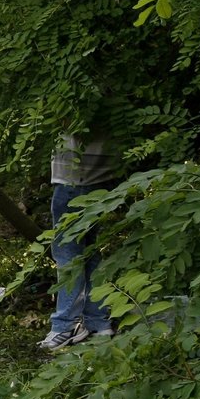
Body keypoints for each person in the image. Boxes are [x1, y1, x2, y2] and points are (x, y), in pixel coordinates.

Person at [37, 134, 119, 350]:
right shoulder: (114, 102)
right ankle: (98, 322)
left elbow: (69, 123)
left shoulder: (76, 103)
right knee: (90, 252)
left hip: (76, 180)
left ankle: (66, 326)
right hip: (100, 179)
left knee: (68, 255)